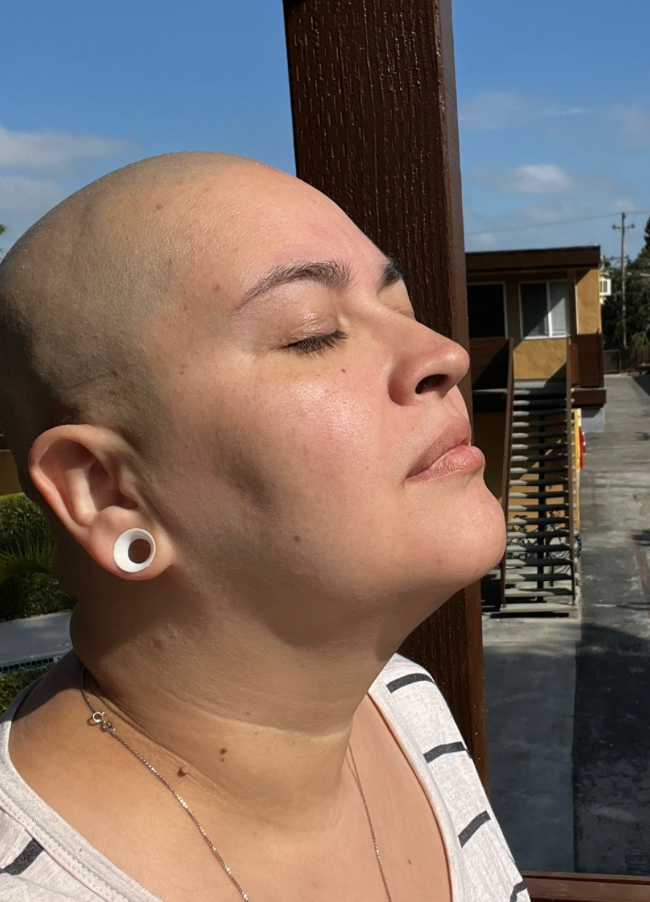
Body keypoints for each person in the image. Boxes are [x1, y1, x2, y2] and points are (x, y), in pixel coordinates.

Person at [0, 152, 527, 902]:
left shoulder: (405, 709)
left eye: (402, 310)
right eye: (311, 331)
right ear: (107, 492)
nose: (443, 355)